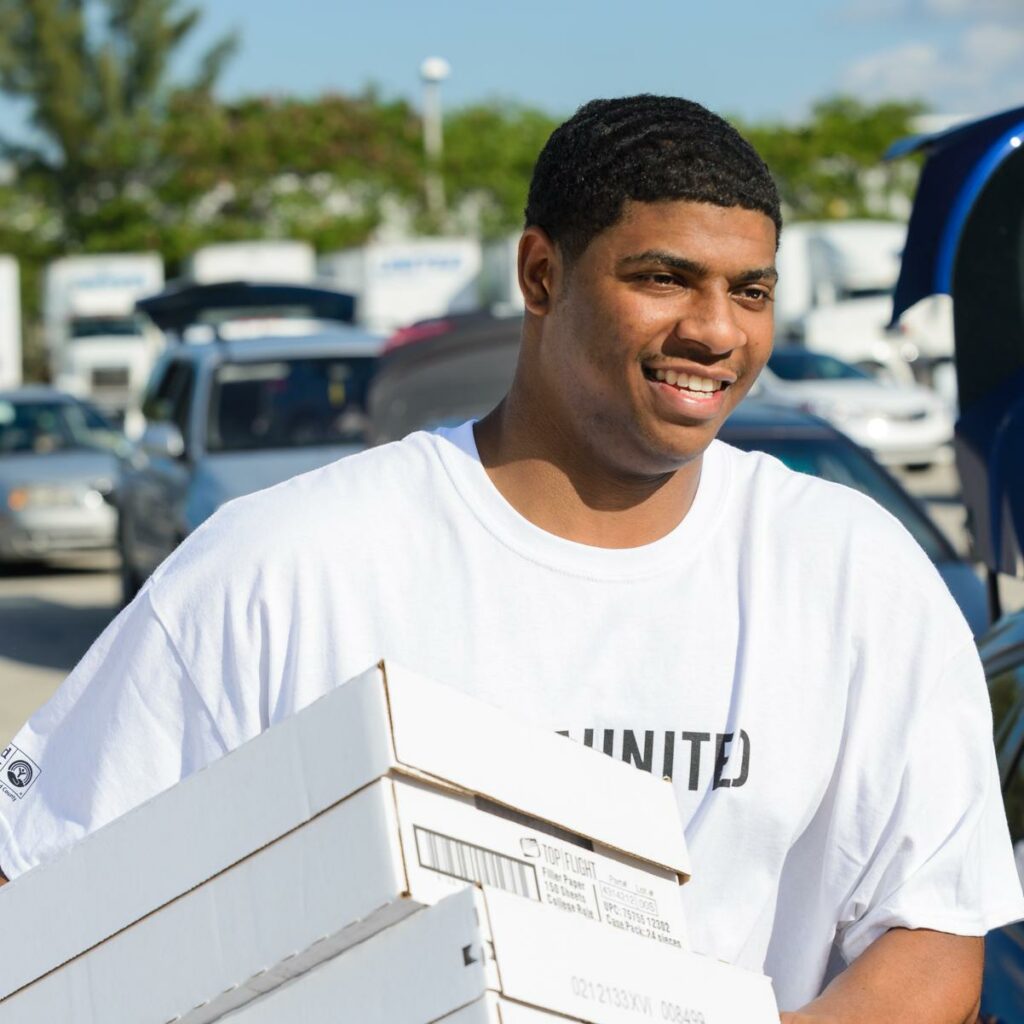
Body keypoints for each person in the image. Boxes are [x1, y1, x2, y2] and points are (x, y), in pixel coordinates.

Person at [1, 95, 1021, 1021]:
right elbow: (35, 885)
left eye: (748, 291)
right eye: (664, 278)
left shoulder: (853, 575)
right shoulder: (285, 565)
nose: (715, 330)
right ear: (542, 273)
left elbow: (931, 935)